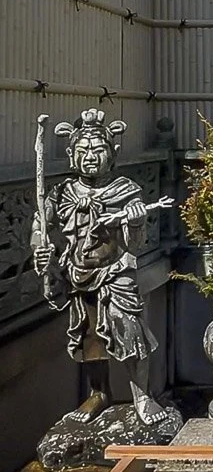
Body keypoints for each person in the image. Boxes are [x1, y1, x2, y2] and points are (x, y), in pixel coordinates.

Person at [31, 109, 168, 425]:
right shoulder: (61, 194)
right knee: (88, 336)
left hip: (116, 272)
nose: (90, 157)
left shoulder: (125, 190)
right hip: (77, 273)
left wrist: (135, 222)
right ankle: (99, 392)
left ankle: (142, 395)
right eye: (82, 151)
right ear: (70, 155)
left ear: (114, 153)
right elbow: (41, 226)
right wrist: (42, 250)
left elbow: (135, 244)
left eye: (98, 150)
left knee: (130, 332)